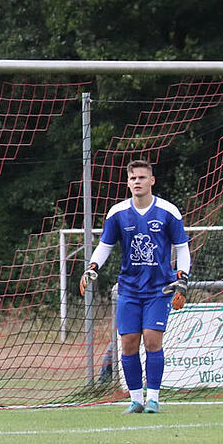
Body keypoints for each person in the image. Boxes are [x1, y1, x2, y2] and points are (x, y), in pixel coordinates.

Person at [79, 160, 190, 414]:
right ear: (128, 183)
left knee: (152, 341)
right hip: (129, 289)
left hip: (159, 289)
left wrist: (183, 278)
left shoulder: (168, 211)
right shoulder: (117, 213)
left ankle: (153, 398)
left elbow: (182, 247)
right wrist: (92, 267)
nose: (137, 182)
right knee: (128, 343)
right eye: (132, 178)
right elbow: (104, 246)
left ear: (152, 181)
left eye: (142, 177)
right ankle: (135, 399)